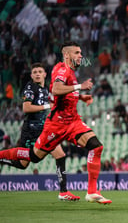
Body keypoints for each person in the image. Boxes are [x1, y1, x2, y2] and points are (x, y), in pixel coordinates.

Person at [0, 42, 111, 204]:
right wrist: (81, 87)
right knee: (33, 157)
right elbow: (57, 89)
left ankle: (92, 191)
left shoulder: (70, 72)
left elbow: (60, 95)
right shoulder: (62, 69)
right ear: (67, 55)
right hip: (57, 126)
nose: (81, 55)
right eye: (77, 53)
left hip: (73, 122)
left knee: (96, 146)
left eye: (80, 53)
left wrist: (81, 96)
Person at [0, 63, 80, 201]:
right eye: (34, 72)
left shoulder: (45, 90)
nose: (37, 74)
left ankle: (63, 192)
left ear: (44, 74)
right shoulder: (31, 87)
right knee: (23, 164)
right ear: (31, 75)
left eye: (40, 71)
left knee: (60, 154)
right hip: (31, 130)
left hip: (44, 130)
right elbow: (26, 108)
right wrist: (48, 105)